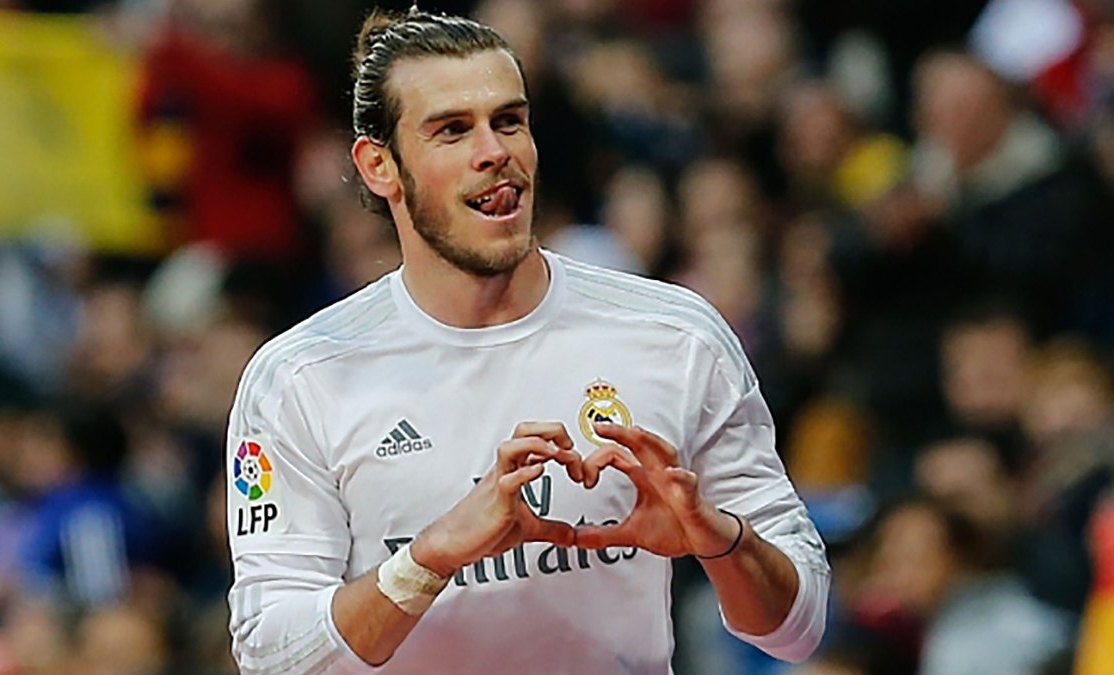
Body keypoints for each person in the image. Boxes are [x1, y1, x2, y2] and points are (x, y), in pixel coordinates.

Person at [226, 7, 830, 674]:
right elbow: (271, 655)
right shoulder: (303, 376)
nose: (495, 151)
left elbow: (798, 630)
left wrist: (720, 540)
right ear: (380, 166)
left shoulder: (676, 337)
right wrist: (430, 558)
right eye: (453, 130)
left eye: (509, 120)